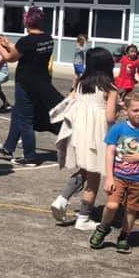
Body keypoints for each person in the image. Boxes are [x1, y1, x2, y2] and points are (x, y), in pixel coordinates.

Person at [49, 48, 118, 231]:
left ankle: (62, 199)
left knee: (84, 170)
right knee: (94, 177)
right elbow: (110, 117)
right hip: (98, 135)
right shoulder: (110, 88)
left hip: (79, 133)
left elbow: (72, 103)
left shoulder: (80, 84)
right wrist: (118, 112)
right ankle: (84, 217)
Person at [0, 7, 63, 167]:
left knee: (25, 120)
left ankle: (30, 156)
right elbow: (23, 51)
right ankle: (8, 147)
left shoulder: (27, 41)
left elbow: (10, 57)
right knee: (17, 113)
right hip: (41, 82)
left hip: (26, 84)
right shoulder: (47, 39)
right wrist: (8, 43)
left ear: (27, 21)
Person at [89, 91, 139, 255]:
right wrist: (109, 176)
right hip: (118, 176)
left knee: (132, 210)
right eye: (136, 110)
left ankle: (124, 236)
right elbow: (110, 152)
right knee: (112, 205)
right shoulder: (118, 129)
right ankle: (103, 228)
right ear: (126, 110)